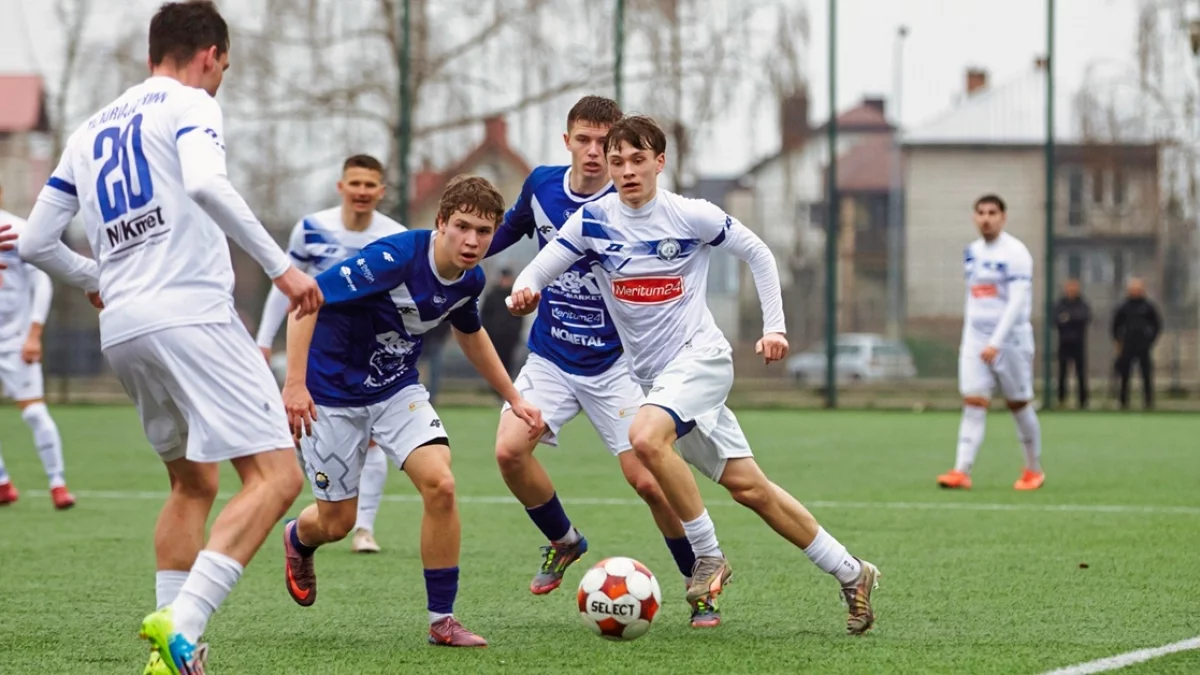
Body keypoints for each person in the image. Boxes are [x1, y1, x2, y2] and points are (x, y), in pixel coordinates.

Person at [18, 3, 322, 673]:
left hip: (124, 327)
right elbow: (206, 182)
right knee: (277, 477)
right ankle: (181, 623)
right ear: (210, 55)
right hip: (191, 313)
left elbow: (37, 242)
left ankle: (166, 658)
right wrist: (283, 268)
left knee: (192, 484)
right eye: (224, 68)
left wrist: (95, 277)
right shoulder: (190, 102)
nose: (221, 80)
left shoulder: (89, 129)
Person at [507, 115, 880, 636]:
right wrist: (522, 292)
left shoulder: (690, 214)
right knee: (751, 489)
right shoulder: (593, 221)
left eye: (638, 160)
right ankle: (852, 571)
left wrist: (774, 327)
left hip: (701, 361)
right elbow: (538, 269)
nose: (627, 171)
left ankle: (708, 556)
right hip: (658, 381)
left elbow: (758, 252)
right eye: (618, 161)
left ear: (660, 162)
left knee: (644, 437)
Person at [280, 175, 542, 648]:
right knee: (336, 523)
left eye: (484, 231)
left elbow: (470, 332)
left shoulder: (471, 279)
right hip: (332, 393)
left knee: (441, 484)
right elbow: (306, 301)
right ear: (441, 223)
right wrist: (295, 385)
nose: (472, 240)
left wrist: (514, 396)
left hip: (396, 389)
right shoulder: (393, 258)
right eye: (462, 227)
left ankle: (442, 620)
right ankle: (299, 538)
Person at [485, 96, 716, 628]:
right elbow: (507, 233)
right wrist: (460, 258)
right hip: (551, 355)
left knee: (650, 481)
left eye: (603, 143)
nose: (594, 152)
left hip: (618, 365)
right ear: (566, 141)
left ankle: (699, 582)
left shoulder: (629, 200)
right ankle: (564, 540)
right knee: (508, 451)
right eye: (583, 140)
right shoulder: (541, 186)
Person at [256, 153, 405, 555]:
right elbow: (285, 287)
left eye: (370, 184)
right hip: (315, 349)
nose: (362, 191)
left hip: (366, 352)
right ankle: (323, 505)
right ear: (341, 187)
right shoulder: (310, 229)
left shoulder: (394, 236)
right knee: (305, 429)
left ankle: (364, 528)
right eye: (355, 183)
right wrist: (263, 340)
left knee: (370, 438)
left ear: (381, 191)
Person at [936, 195, 1044, 492]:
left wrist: (996, 341)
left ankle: (1033, 470)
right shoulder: (972, 252)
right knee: (973, 402)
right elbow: (974, 298)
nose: (986, 218)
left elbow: (1017, 301)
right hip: (976, 339)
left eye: (992, 213)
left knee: (1019, 404)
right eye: (981, 213)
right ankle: (961, 471)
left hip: (1011, 340)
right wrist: (970, 338)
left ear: (1003, 217)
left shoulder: (1016, 253)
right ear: (974, 217)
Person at [0, 189, 74, 509]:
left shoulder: (17, 230)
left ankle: (58, 484)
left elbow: (41, 283)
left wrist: (34, 333)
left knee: (33, 411)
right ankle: (3, 484)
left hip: (15, 340)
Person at [1112, 277, 1160, 410]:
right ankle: (1123, 401)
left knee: (1146, 374)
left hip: (1143, 346)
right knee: (1125, 374)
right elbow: (1115, 325)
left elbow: (1156, 325)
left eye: (1138, 289)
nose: (1135, 291)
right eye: (1133, 289)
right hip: (1127, 345)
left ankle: (1148, 402)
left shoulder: (1148, 307)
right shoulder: (1123, 307)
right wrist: (1118, 340)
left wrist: (1150, 340)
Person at [1054, 278, 1091, 409]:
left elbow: (1083, 317)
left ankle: (1083, 401)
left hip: (1078, 343)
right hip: (1064, 342)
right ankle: (1061, 400)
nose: (1072, 290)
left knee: (1081, 372)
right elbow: (1055, 319)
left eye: (1074, 288)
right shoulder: (1060, 304)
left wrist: (1068, 317)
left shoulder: (1082, 303)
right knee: (1062, 372)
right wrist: (1069, 318)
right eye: (1069, 288)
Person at [479, 268, 522, 377]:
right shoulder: (493, 295)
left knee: (508, 362)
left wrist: (514, 331)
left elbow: (519, 317)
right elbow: (485, 314)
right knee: (494, 362)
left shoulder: (514, 296)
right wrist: (488, 330)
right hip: (494, 335)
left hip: (509, 336)